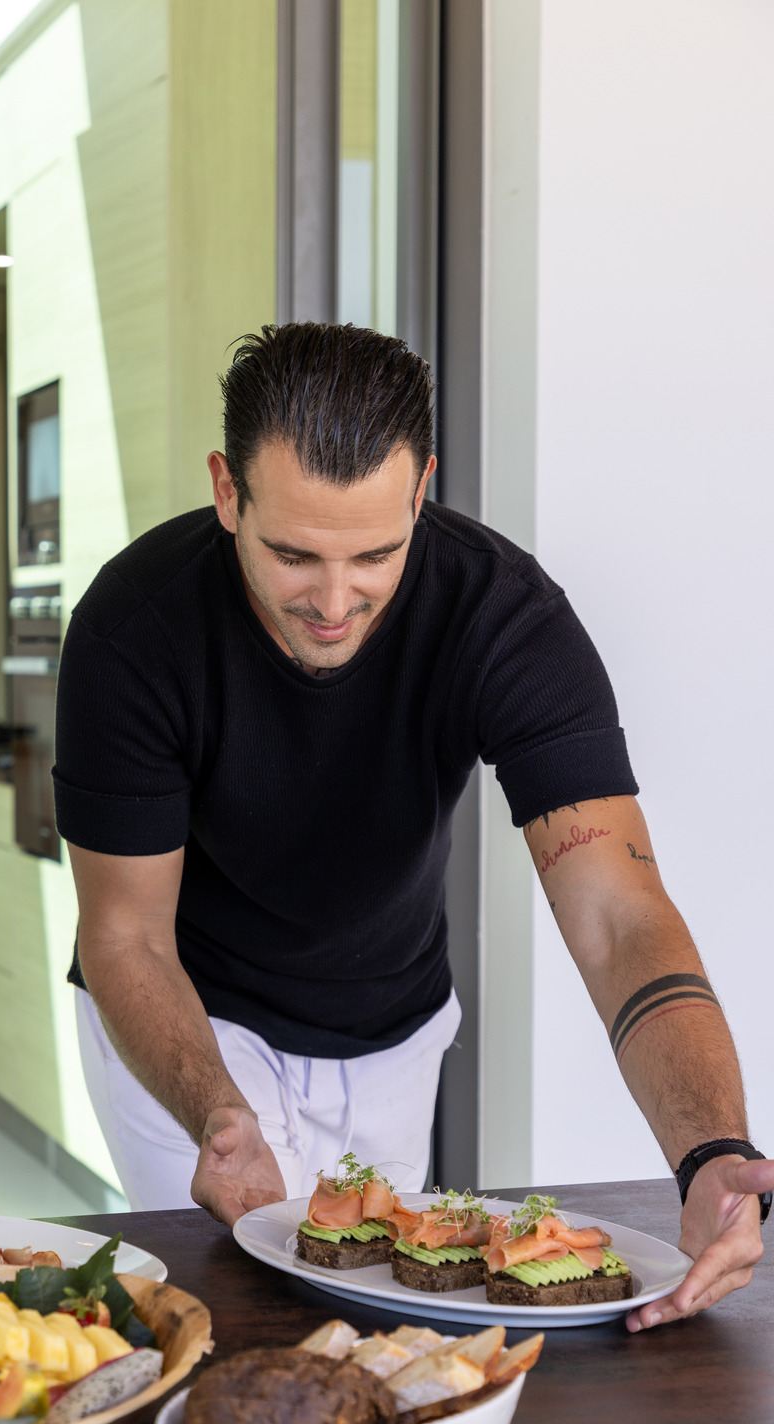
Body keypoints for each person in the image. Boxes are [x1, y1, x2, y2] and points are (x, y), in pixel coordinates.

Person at [53, 322, 770, 1332]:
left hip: (393, 1023)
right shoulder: (135, 629)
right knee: (232, 1322)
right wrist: (217, 1110)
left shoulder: (504, 618)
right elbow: (124, 931)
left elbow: (616, 913)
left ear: (421, 487)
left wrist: (711, 1152)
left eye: (375, 555)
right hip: (190, 1009)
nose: (335, 602)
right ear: (227, 490)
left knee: (384, 1321)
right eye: (294, 553)